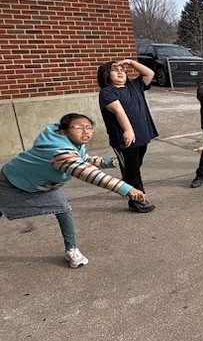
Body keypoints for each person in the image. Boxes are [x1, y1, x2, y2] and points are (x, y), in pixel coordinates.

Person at [0, 113, 148, 268]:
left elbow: (81, 159)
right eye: (78, 128)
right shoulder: (59, 152)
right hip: (11, 182)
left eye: (89, 128)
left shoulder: (71, 144)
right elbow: (86, 172)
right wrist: (127, 189)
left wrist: (105, 162)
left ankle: (71, 250)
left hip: (43, 185)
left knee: (63, 210)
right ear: (64, 131)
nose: (85, 132)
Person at [97, 58, 158, 213]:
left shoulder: (134, 85)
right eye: (114, 70)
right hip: (124, 140)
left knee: (134, 167)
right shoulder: (107, 92)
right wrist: (128, 129)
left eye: (122, 70)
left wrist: (131, 62)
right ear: (105, 75)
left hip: (142, 137)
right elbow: (118, 110)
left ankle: (127, 185)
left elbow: (149, 73)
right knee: (133, 171)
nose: (120, 72)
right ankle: (137, 201)